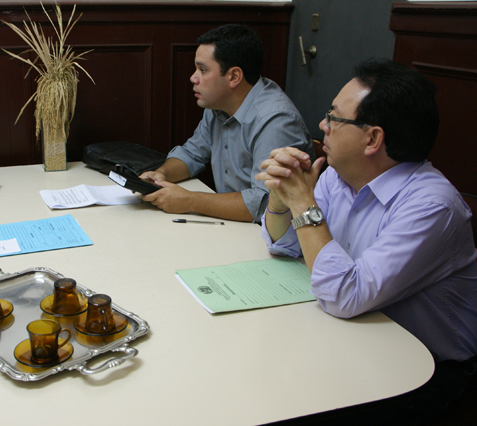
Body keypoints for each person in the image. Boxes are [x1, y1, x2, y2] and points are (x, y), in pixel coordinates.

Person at [256, 58, 477, 424]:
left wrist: (303, 202)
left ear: (373, 138)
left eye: (334, 117)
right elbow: (287, 247)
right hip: (353, 336)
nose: (323, 125)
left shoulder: (432, 206)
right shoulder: (337, 175)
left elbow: (346, 295)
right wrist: (281, 200)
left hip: (425, 370)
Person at [140, 24, 313, 223]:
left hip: (269, 238)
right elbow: (191, 154)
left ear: (234, 77)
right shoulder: (217, 106)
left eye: (203, 70)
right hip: (232, 225)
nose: (193, 78)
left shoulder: (276, 120)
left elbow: (264, 205)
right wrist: (161, 174)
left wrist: (189, 201)